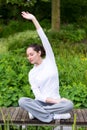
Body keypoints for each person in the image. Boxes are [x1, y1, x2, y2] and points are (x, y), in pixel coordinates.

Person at [18, 11, 73, 123]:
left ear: (39, 53)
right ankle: (53, 115)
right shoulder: (32, 73)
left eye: (31, 54)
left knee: (69, 104)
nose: (29, 57)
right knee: (22, 101)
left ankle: (37, 113)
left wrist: (34, 19)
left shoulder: (50, 61)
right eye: (27, 55)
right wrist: (54, 102)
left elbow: (44, 38)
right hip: (41, 102)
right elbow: (38, 95)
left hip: (56, 101)